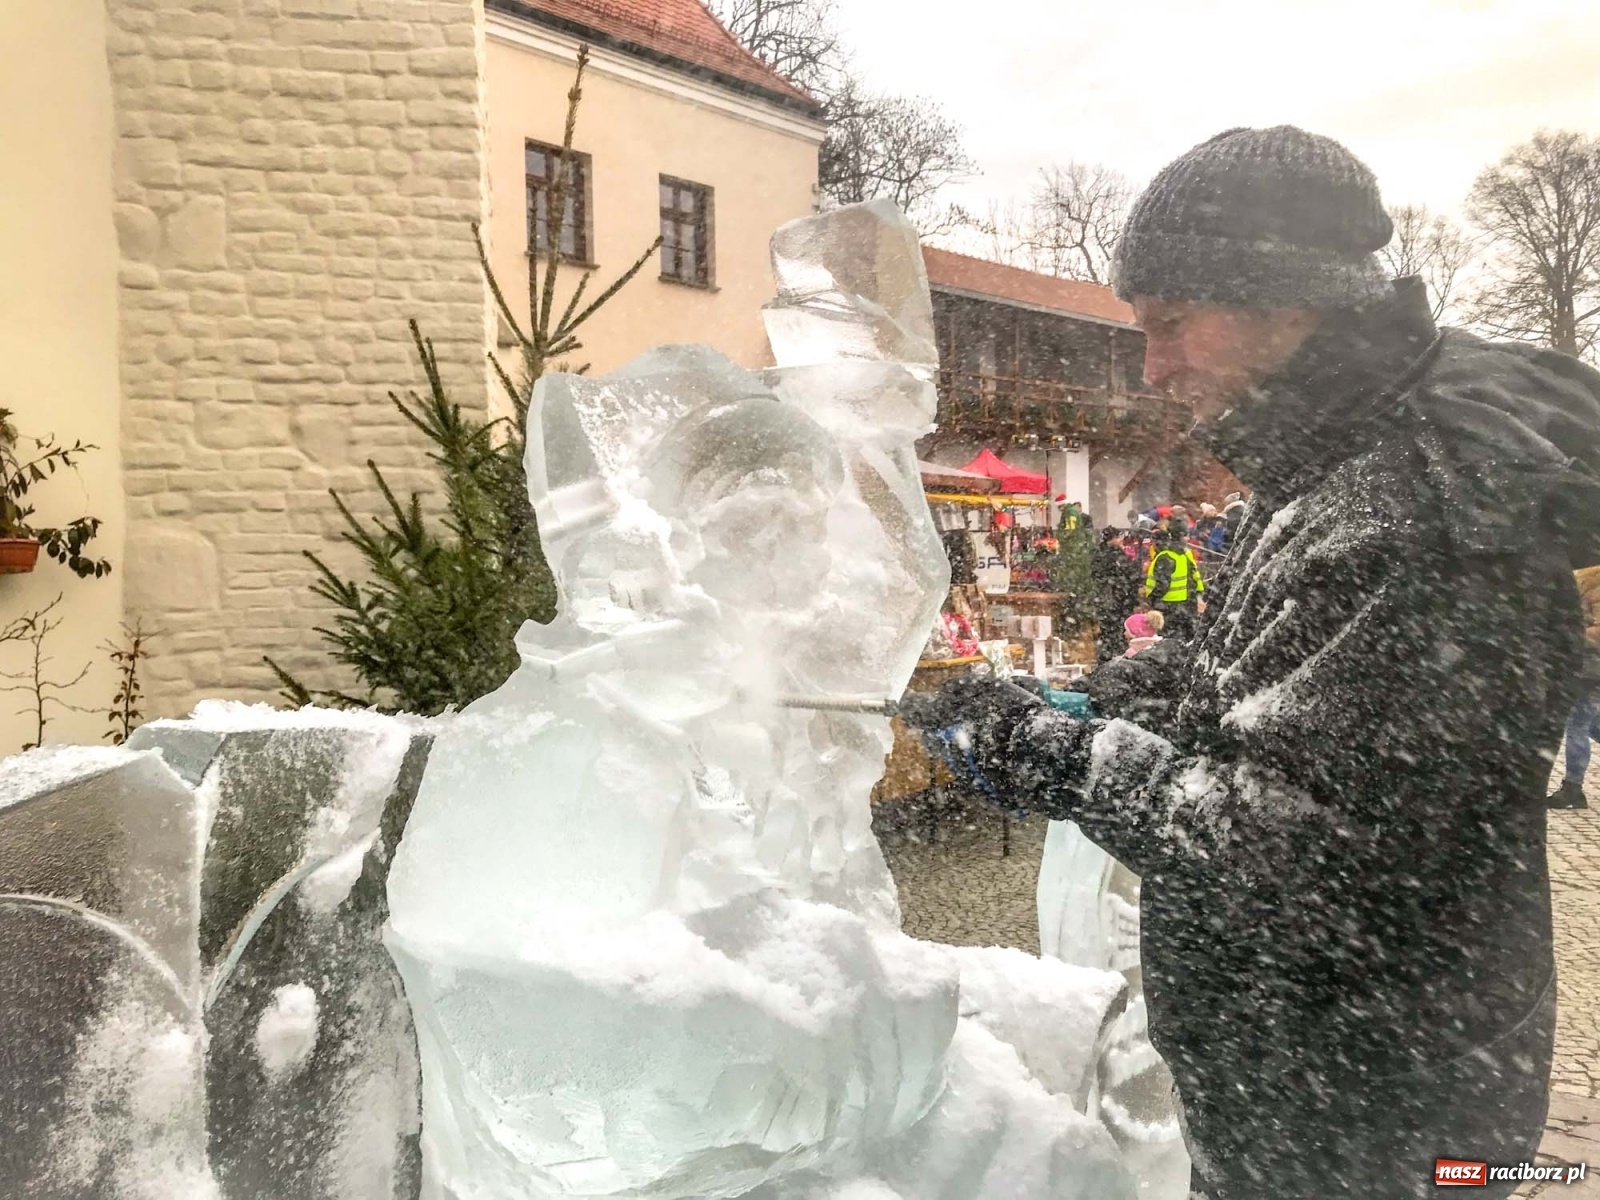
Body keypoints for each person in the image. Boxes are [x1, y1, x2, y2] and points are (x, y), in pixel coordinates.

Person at [899, 125, 1600, 1200]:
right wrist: (1147, 687)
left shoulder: (1410, 501)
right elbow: (1295, 691)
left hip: (1375, 1115)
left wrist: (1050, 752)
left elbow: (1291, 841)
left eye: (1174, 326)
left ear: (1288, 302)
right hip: (1316, 1080)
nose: (1152, 368)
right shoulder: (1331, 459)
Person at [1548, 563, 1600, 808]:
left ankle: (1572, 787)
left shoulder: (1597, 590)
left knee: (1578, 723)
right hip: (1585, 665)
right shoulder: (1585, 585)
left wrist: (1572, 632)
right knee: (1590, 724)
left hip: (1591, 667)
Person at [1093, 527, 1145, 662]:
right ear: (1114, 539)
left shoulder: (1099, 555)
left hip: (1106, 601)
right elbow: (1132, 577)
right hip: (1120, 601)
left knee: (1107, 632)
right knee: (1119, 632)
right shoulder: (1118, 557)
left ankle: (1105, 658)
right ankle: (1118, 657)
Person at [1144, 526, 1204, 641]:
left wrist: (1152, 599)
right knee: (1185, 638)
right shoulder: (1183, 553)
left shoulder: (1164, 557)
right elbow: (1192, 575)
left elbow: (1163, 584)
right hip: (1185, 603)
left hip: (1168, 604)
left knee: (1168, 639)